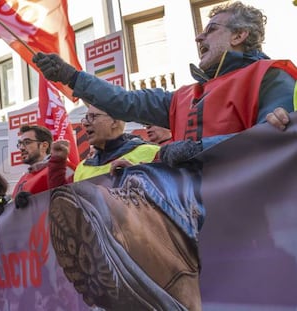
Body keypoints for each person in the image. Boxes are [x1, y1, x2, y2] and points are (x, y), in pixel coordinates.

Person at [33, 2, 297, 310]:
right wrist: (73, 77)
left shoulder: (271, 76)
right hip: (195, 238)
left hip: (255, 233)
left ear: (240, 35)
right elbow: (125, 101)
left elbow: (276, 140)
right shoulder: (183, 96)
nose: (199, 38)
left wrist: (199, 149)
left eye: (210, 30)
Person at [48, 104, 160, 188]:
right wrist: (57, 161)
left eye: (93, 117)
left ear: (115, 122)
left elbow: (170, 199)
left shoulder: (153, 153)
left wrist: (139, 179)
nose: (85, 123)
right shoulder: (82, 167)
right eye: (86, 118)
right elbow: (63, 201)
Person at [12, 125, 75, 198]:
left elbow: (72, 200)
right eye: (20, 144)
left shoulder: (62, 168)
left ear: (44, 146)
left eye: (27, 142)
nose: (22, 148)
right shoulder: (24, 177)